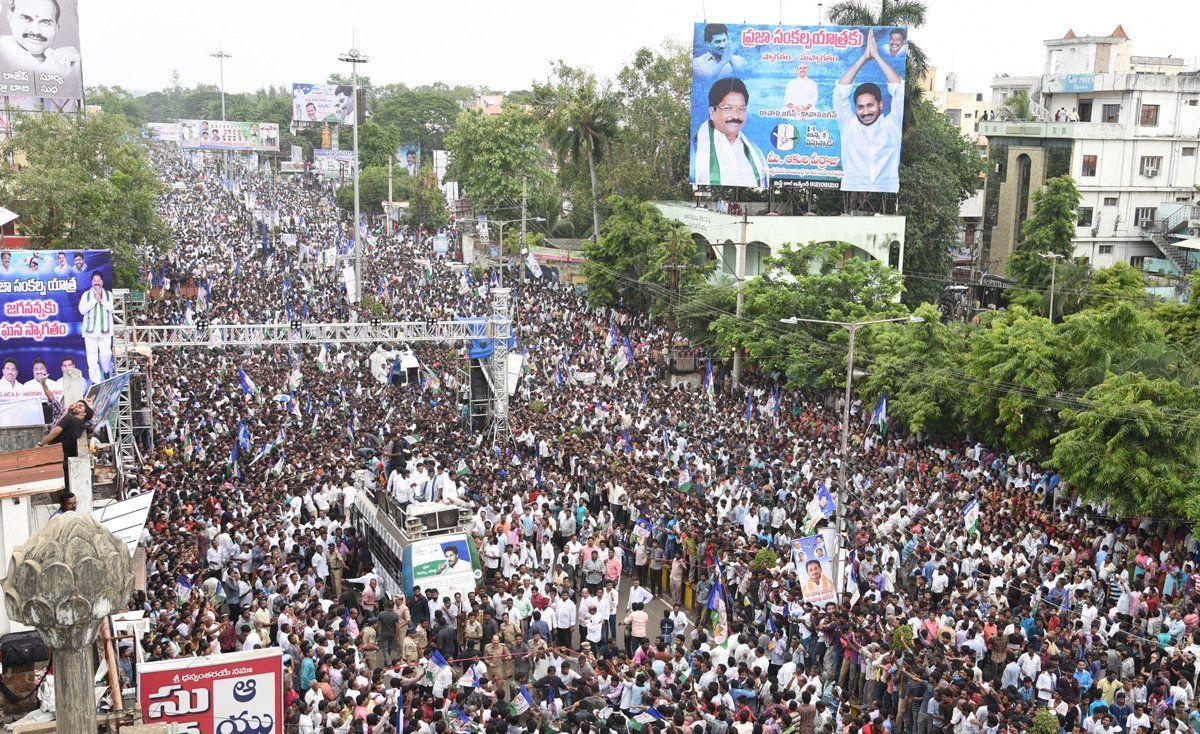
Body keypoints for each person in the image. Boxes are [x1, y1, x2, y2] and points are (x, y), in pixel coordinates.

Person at [835, 31, 904, 192]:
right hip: (851, 191)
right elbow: (840, 91)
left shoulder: (892, 125)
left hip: (887, 192)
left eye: (870, 105)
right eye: (860, 107)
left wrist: (877, 57)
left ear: (880, 105)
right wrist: (865, 57)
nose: (865, 111)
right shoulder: (848, 126)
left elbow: (899, 89)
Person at [690, 77, 770, 188]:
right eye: (728, 108)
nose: (736, 116)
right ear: (712, 112)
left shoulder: (755, 153)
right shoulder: (694, 149)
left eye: (741, 109)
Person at [0, 0, 81, 84]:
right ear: (10, 18)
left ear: (56, 28)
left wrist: (74, 67)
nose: (36, 31)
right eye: (27, 18)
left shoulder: (65, 59)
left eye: (45, 22)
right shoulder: (3, 53)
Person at [78, 271, 114, 384]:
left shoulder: (108, 295)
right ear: (91, 282)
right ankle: (95, 380)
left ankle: (106, 370)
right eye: (94, 280)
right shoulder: (86, 295)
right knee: (92, 358)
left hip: (105, 331)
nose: (96, 283)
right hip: (90, 332)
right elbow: (82, 310)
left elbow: (111, 308)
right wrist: (94, 299)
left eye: (98, 280)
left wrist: (101, 300)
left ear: (102, 282)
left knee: (106, 354)